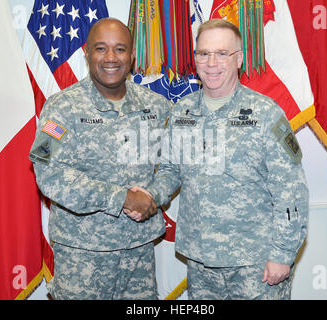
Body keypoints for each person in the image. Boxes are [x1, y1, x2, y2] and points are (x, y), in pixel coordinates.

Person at [132, 19, 309, 300]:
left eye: (222, 53)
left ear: (238, 59)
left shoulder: (265, 113)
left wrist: (283, 254)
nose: (211, 62)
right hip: (201, 261)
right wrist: (149, 195)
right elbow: (169, 169)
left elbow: (291, 191)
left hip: (255, 262)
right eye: (203, 53)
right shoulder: (183, 112)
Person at [29, 18, 171, 300]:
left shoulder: (156, 107)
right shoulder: (62, 107)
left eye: (119, 49)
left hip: (138, 253)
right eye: (100, 49)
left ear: (132, 55)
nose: (110, 58)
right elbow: (50, 174)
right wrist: (122, 198)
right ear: (87, 55)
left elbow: (173, 164)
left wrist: (154, 194)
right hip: (82, 258)